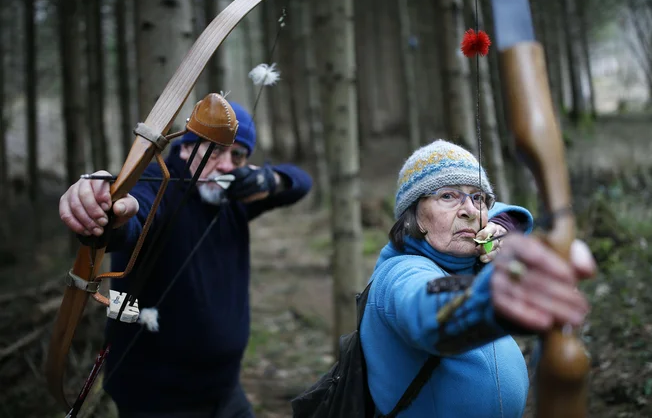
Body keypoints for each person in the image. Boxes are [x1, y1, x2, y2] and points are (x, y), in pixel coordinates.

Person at [58, 97, 312, 418]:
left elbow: (301, 182)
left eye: (237, 155)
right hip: (157, 401)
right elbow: (129, 215)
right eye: (214, 150)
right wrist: (106, 211)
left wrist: (269, 179)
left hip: (226, 392)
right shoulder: (155, 183)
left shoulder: (233, 195)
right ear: (186, 147)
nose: (225, 165)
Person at [359, 139, 595, 417]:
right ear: (416, 216)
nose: (470, 210)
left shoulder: (467, 260)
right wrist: (497, 295)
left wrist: (504, 224)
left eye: (478, 197)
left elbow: (498, 212)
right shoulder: (399, 272)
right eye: (447, 196)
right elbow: (424, 310)